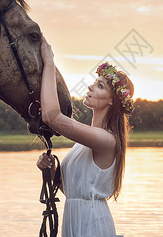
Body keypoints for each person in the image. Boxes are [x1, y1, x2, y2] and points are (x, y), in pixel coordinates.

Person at [36, 35, 135, 237]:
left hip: (92, 223)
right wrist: (52, 170)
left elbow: (51, 116)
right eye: (94, 82)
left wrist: (49, 64)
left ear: (111, 101)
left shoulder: (107, 140)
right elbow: (73, 192)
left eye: (100, 86)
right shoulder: (85, 143)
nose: (90, 87)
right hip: (75, 219)